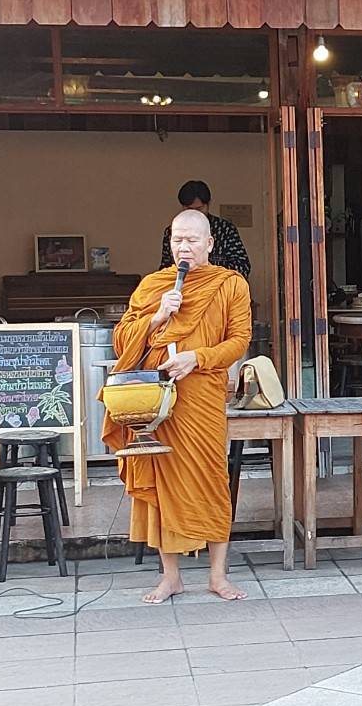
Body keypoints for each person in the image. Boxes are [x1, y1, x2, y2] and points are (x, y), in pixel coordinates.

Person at [104, 209, 252, 603]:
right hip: (156, 398)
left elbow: (239, 340)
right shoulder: (153, 285)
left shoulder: (230, 284)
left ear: (209, 244)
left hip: (201, 395)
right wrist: (156, 317)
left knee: (211, 480)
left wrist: (197, 358)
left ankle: (218, 575)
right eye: (177, 241)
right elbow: (122, 341)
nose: (183, 247)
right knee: (162, 482)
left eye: (191, 240)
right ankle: (171, 576)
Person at [160, 181, 251, 279]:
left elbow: (243, 267)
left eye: (199, 209)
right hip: (182, 288)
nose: (195, 213)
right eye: (189, 209)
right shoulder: (172, 231)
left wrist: (208, 275)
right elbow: (165, 268)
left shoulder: (226, 229)